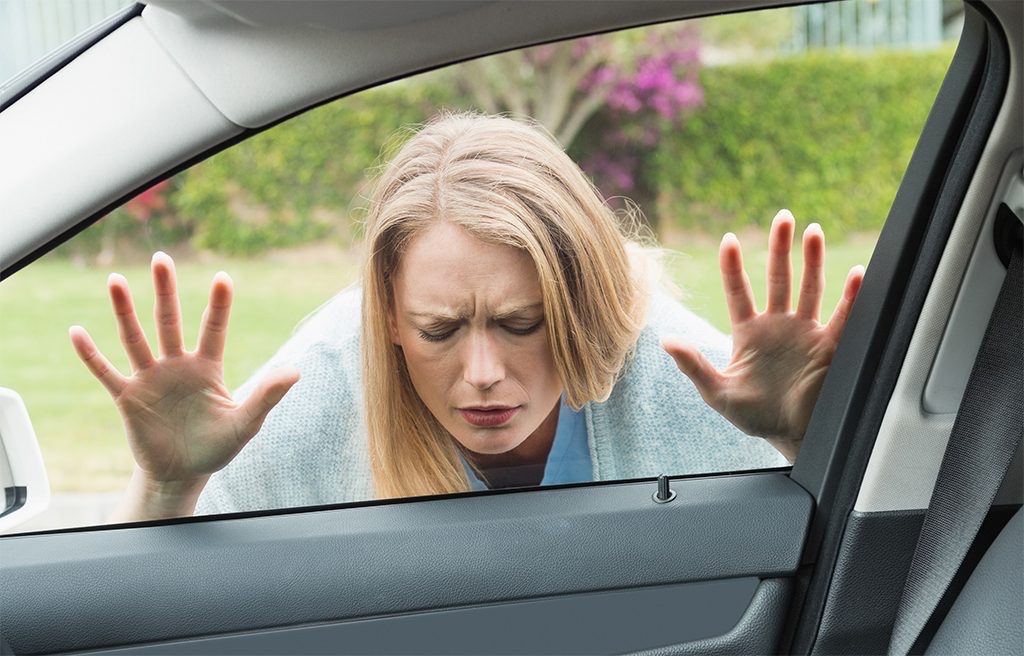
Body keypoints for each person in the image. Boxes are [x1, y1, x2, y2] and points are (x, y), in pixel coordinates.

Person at [69, 113, 864, 521]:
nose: (482, 373)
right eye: (438, 331)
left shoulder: (689, 375)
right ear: (384, 314)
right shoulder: (319, 387)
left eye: (522, 323)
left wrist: (807, 441)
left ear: (584, 303)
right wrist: (168, 485)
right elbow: (156, 599)